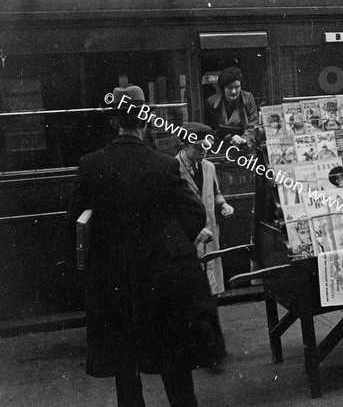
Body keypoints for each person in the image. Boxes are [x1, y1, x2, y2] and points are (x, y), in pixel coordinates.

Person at [68, 86, 225, 407]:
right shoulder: (163, 165)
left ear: (114, 123)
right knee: (173, 361)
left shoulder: (90, 165)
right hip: (159, 279)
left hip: (114, 284)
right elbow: (196, 214)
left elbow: (76, 225)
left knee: (126, 367)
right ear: (145, 122)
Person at [176, 122, 235, 295]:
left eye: (206, 147)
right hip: (189, 237)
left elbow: (216, 193)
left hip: (210, 233)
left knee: (212, 287)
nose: (203, 152)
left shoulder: (209, 167)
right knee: (191, 288)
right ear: (184, 146)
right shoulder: (173, 169)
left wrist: (223, 204)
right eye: (197, 148)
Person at [205, 66, 258, 148]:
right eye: (229, 88)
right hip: (220, 147)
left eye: (237, 87)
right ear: (223, 88)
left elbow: (253, 124)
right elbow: (209, 129)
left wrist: (244, 139)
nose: (234, 91)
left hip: (244, 147)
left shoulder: (248, 98)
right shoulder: (211, 102)